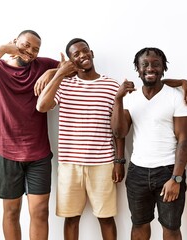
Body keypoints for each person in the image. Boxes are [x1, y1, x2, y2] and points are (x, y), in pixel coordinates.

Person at [0, 30, 60, 240]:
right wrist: (1, 49)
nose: (31, 52)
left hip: (38, 153)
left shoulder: (43, 65)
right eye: (26, 45)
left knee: (40, 212)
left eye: (36, 49)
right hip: (5, 151)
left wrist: (51, 73)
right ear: (14, 42)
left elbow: (70, 66)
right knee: (11, 212)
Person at [36, 38, 125, 240]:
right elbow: (41, 106)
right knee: (71, 218)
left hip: (103, 163)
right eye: (76, 54)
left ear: (91, 53)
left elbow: (118, 129)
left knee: (106, 218)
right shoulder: (64, 84)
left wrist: (119, 161)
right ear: (71, 61)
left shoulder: (111, 85)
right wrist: (58, 73)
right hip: (70, 164)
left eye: (84, 51)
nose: (82, 55)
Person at [111, 47, 187, 240]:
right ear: (137, 69)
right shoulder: (130, 98)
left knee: (171, 228)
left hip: (168, 171)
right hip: (138, 172)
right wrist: (118, 99)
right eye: (145, 64)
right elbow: (119, 132)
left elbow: (184, 140)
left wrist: (176, 178)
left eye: (156, 64)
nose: (150, 68)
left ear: (163, 68)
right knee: (139, 224)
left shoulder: (176, 96)